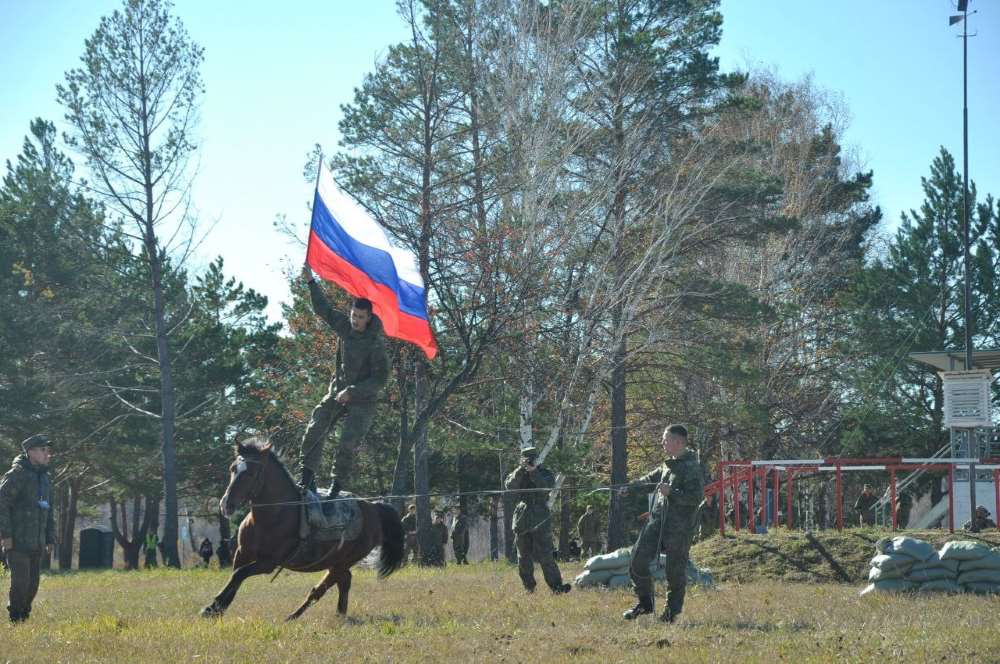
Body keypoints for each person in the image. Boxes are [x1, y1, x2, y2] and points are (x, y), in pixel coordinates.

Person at [297, 264, 390, 497]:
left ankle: (336, 486)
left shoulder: (375, 344)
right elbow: (323, 309)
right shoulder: (344, 327)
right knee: (316, 426)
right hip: (337, 392)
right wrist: (310, 282)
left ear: (369, 318)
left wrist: (353, 391)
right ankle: (306, 477)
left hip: (363, 400)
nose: (356, 320)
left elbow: (380, 379)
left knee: (348, 442)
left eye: (361, 317)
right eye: (354, 315)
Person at [618, 424, 703, 623]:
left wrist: (672, 493)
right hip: (657, 521)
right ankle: (645, 603)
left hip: (679, 527)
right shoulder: (668, 464)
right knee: (637, 560)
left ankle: (671, 613)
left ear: (678, 442)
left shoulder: (692, 467)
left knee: (675, 570)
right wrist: (630, 488)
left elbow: (695, 497)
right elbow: (650, 479)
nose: (662, 442)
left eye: (666, 439)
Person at [0, 435, 55, 624]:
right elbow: (2, 503)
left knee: (33, 584)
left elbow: (49, 510)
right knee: (21, 582)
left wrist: (49, 538)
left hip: (37, 541)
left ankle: (24, 614)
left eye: (48, 450)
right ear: (31, 452)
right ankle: (15, 616)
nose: (47, 454)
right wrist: (6, 535)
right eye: (43, 450)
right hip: (17, 541)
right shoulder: (17, 475)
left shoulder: (45, 478)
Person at [504, 446, 571, 594]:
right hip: (523, 517)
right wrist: (520, 470)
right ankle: (529, 587)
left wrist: (533, 472)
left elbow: (545, 488)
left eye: (532, 458)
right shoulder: (517, 473)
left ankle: (556, 587)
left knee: (546, 555)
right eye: (526, 459)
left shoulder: (545, 473)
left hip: (540, 517)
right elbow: (510, 487)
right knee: (523, 557)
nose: (529, 461)